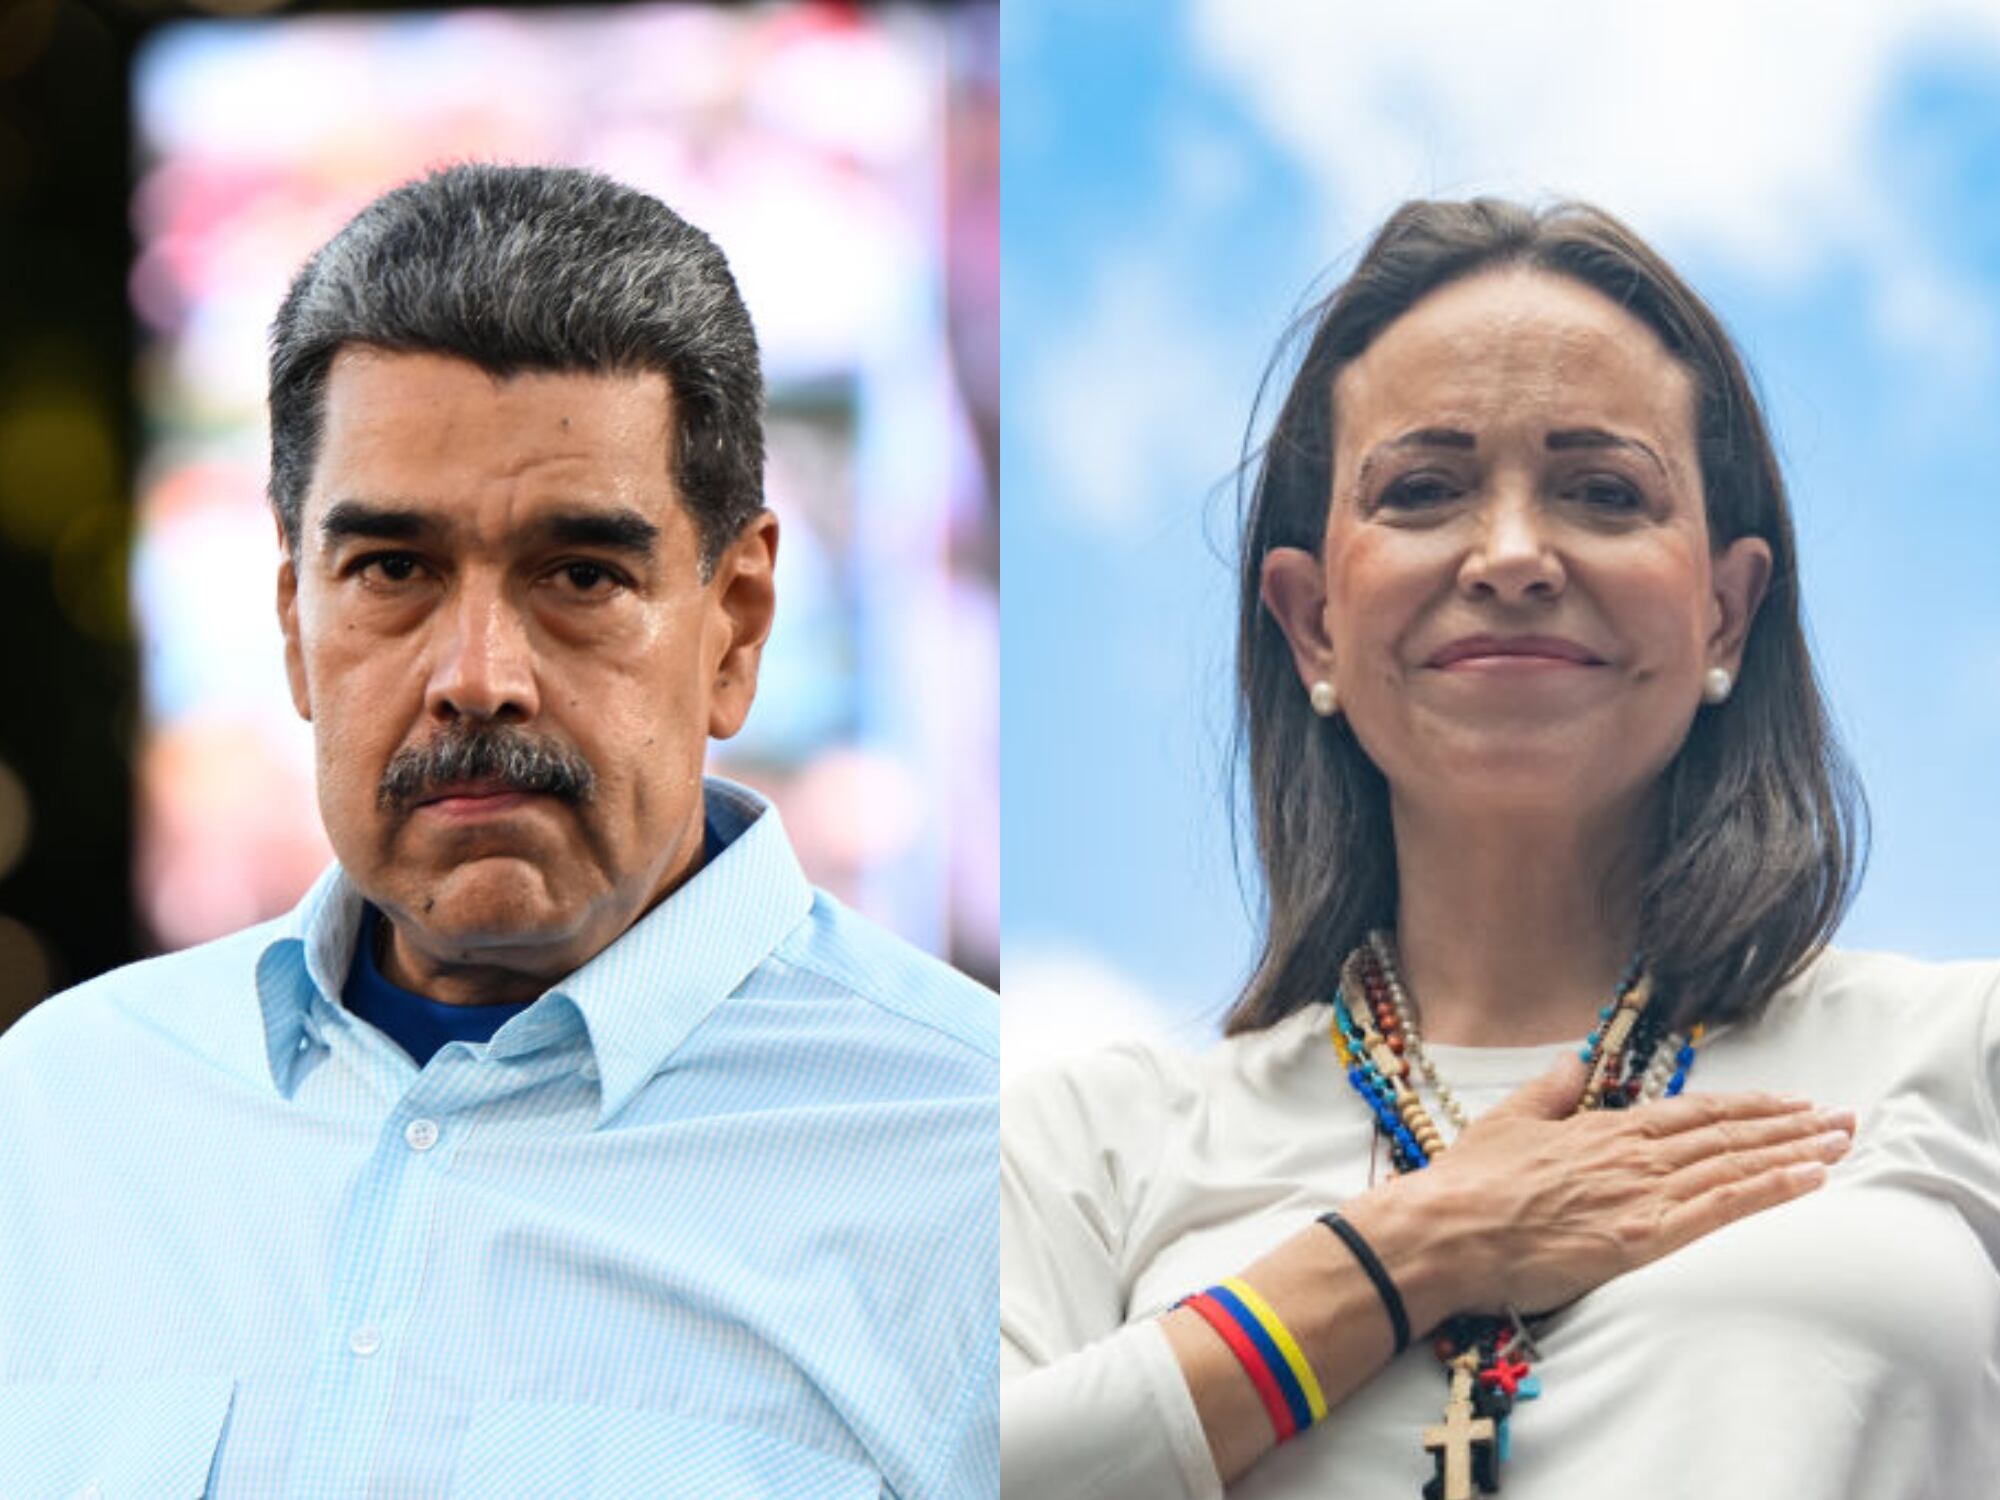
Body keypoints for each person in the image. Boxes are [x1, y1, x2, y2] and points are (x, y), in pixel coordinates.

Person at [0, 164, 997, 1499]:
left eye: (580, 574)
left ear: (737, 624)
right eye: (393, 572)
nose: (477, 674)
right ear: (297, 622)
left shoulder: (985, 1169)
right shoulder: (62, 1117)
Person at [1000, 198, 2000, 1499]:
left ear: (1725, 612)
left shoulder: (1962, 1057)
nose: (1515, 554)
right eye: (1424, 490)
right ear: (1311, 626)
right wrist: (1420, 1247)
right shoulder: (1095, 1148)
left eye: (1602, 491)